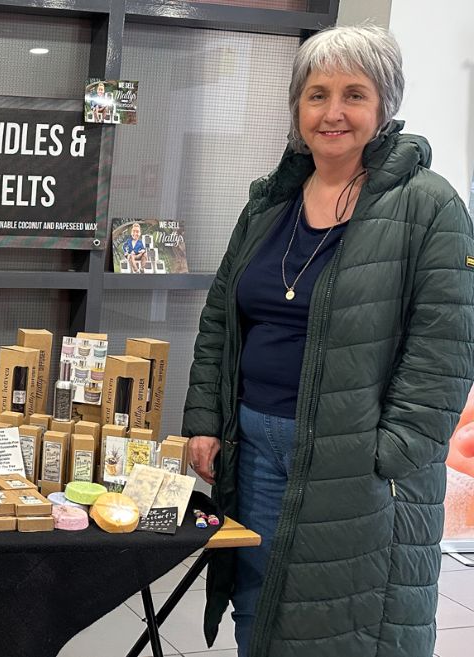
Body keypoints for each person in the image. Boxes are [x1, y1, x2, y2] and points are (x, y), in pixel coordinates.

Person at [182, 25, 474, 657]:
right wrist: (205, 418)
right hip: (254, 448)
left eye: (353, 94)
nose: (332, 112)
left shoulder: (429, 207)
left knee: (344, 620)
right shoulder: (270, 203)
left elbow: (445, 350)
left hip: (356, 460)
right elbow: (219, 321)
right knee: (258, 602)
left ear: (384, 106)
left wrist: (391, 453)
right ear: (297, 107)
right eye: (316, 95)